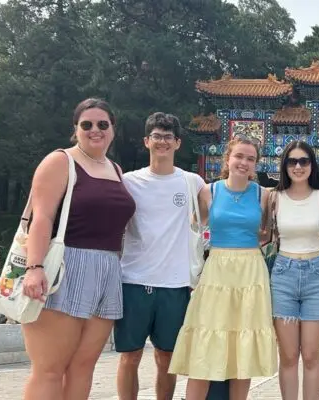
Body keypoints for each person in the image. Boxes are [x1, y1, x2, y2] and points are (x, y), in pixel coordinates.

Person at [21, 98, 136, 400]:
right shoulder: (60, 161)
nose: (95, 130)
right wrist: (34, 267)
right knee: (49, 368)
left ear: (113, 129)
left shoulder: (115, 169)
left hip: (107, 270)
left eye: (102, 124)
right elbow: (41, 217)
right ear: (76, 129)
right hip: (65, 266)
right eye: (87, 124)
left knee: (83, 367)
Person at [168, 135, 277, 400]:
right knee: (204, 345)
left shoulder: (264, 195)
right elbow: (194, 226)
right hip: (217, 268)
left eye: (250, 158)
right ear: (227, 159)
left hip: (250, 270)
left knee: (243, 350)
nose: (244, 162)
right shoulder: (209, 191)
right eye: (239, 156)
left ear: (256, 164)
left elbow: (267, 233)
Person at [114, 112, 203, 400]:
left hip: (174, 284)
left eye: (168, 137)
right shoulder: (128, 181)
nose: (162, 142)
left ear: (177, 143)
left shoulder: (191, 182)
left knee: (167, 358)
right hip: (133, 280)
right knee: (130, 356)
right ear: (146, 141)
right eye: (156, 136)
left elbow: (222, 208)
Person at [270, 140, 319, 400]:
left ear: (312, 165)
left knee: (311, 355)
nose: (298, 167)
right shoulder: (274, 197)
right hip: (283, 275)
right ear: (285, 165)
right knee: (288, 356)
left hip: (316, 275)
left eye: (304, 161)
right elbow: (263, 234)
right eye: (292, 161)